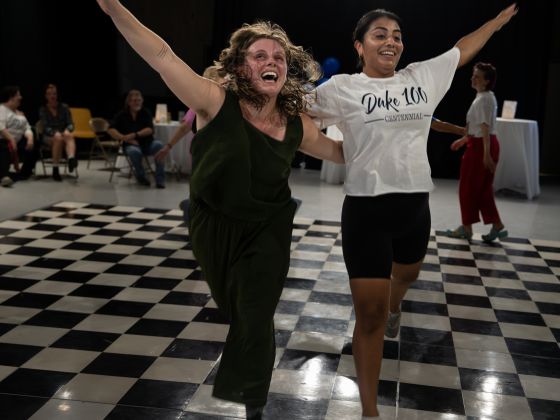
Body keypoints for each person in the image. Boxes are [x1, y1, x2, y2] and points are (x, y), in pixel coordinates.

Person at [96, 1, 344, 418]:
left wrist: (390, 129)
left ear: (287, 68)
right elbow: (161, 55)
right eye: (260, 55)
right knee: (236, 309)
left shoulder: (296, 121)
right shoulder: (214, 99)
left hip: (269, 226)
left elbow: (338, 152)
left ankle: (254, 407)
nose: (272, 62)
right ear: (241, 67)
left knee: (256, 310)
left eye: (279, 57)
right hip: (212, 223)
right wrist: (113, 7)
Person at [307, 4, 517, 418]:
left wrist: (494, 23)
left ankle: (397, 305)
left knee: (405, 276)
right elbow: (295, 114)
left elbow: (461, 50)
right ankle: (369, 410)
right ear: (359, 45)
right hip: (366, 212)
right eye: (380, 34)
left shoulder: (421, 76)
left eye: (397, 35)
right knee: (369, 319)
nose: (391, 41)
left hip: (414, 209)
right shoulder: (342, 87)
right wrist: (325, 149)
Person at [445, 62, 507, 242]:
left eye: (477, 76)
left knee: (468, 188)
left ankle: (467, 228)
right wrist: (464, 140)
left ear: (486, 81)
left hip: (482, 147)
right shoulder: (486, 97)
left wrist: (486, 154)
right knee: (482, 189)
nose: (473, 78)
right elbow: (479, 128)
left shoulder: (483, 99)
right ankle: (496, 224)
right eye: (473, 75)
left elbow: (485, 128)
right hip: (481, 143)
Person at [108, 89, 166, 188]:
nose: (137, 102)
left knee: (159, 145)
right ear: (129, 102)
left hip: (147, 143)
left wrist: (134, 135)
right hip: (131, 144)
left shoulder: (146, 112)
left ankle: (160, 179)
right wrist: (124, 138)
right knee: (134, 152)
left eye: (139, 100)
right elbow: (110, 129)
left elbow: (150, 129)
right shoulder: (121, 115)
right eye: (134, 100)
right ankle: (141, 176)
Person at [38, 83, 77, 181]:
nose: (52, 96)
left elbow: (70, 123)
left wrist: (68, 130)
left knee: (69, 135)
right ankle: (56, 169)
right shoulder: (43, 109)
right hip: (48, 136)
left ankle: (71, 159)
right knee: (58, 138)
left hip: (63, 134)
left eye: (54, 94)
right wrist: (55, 133)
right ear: (46, 96)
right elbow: (45, 127)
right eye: (50, 94)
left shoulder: (64, 107)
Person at [0, 86, 39, 181]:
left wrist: (30, 139)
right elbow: (0, 126)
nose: (21, 97)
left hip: (18, 141)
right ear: (11, 97)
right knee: (4, 145)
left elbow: (27, 127)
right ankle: (4, 176)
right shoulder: (2, 109)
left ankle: (25, 172)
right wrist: (11, 139)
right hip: (4, 139)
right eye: (18, 95)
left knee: (35, 144)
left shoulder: (19, 113)